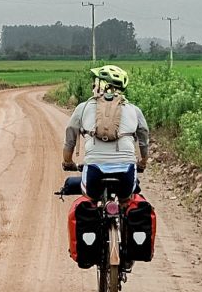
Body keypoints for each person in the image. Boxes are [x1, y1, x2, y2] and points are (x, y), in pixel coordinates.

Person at [62, 64, 149, 199]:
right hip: (126, 174)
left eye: (96, 82)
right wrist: (143, 162)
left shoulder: (82, 108)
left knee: (89, 198)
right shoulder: (134, 110)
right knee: (127, 200)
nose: (93, 85)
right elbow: (143, 138)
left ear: (104, 85)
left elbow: (70, 139)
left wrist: (68, 162)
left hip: (94, 174)